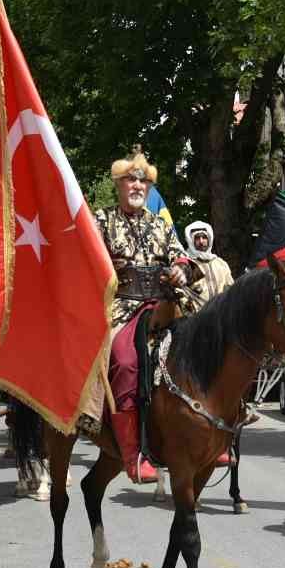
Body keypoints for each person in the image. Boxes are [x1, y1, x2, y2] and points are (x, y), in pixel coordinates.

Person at [95, 146, 200, 483]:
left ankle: (219, 429)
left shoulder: (160, 225)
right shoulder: (101, 219)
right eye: (131, 180)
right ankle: (131, 453)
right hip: (122, 305)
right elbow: (86, 261)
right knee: (125, 361)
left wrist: (182, 270)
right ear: (119, 185)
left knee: (206, 344)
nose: (138, 186)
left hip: (163, 302)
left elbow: (182, 257)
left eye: (143, 182)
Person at [184, 221, 235, 306]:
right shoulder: (185, 264)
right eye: (197, 238)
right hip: (195, 316)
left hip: (220, 313)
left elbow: (231, 290)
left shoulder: (221, 264)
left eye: (204, 237)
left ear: (209, 239)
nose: (201, 241)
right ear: (191, 240)